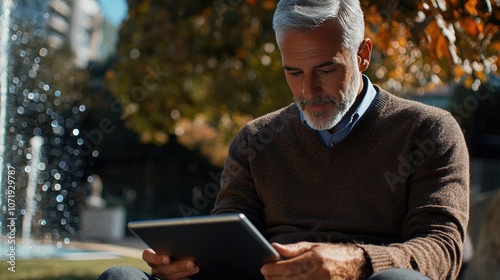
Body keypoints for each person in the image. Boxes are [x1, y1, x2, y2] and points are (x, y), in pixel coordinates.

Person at [98, 0, 469, 279]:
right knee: (120, 277)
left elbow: (443, 251)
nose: (309, 90)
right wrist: (189, 265)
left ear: (363, 55)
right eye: (293, 72)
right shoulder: (255, 140)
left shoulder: (429, 131)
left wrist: (356, 263)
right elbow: (229, 238)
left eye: (326, 69)